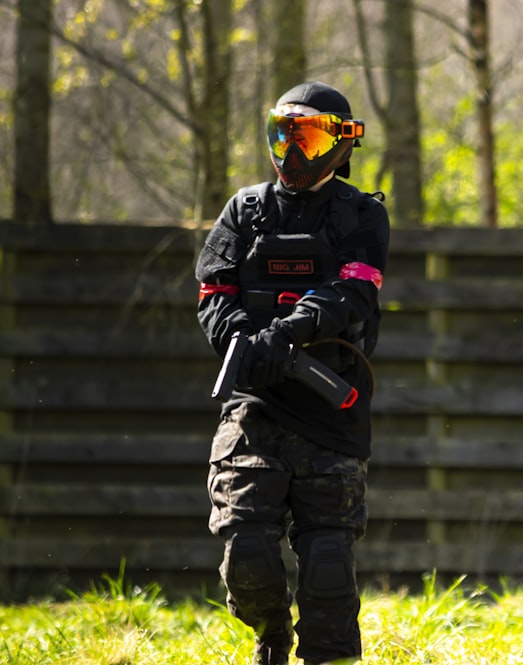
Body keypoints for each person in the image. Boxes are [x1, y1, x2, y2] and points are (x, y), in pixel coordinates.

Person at [195, 81, 389, 665]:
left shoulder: (363, 215)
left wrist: (288, 333)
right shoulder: (245, 210)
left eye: (305, 135)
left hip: (328, 413)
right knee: (247, 554)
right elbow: (213, 291)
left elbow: (353, 289)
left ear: (341, 141)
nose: (291, 151)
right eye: (282, 133)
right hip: (254, 409)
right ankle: (271, 637)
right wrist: (241, 340)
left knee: (328, 564)